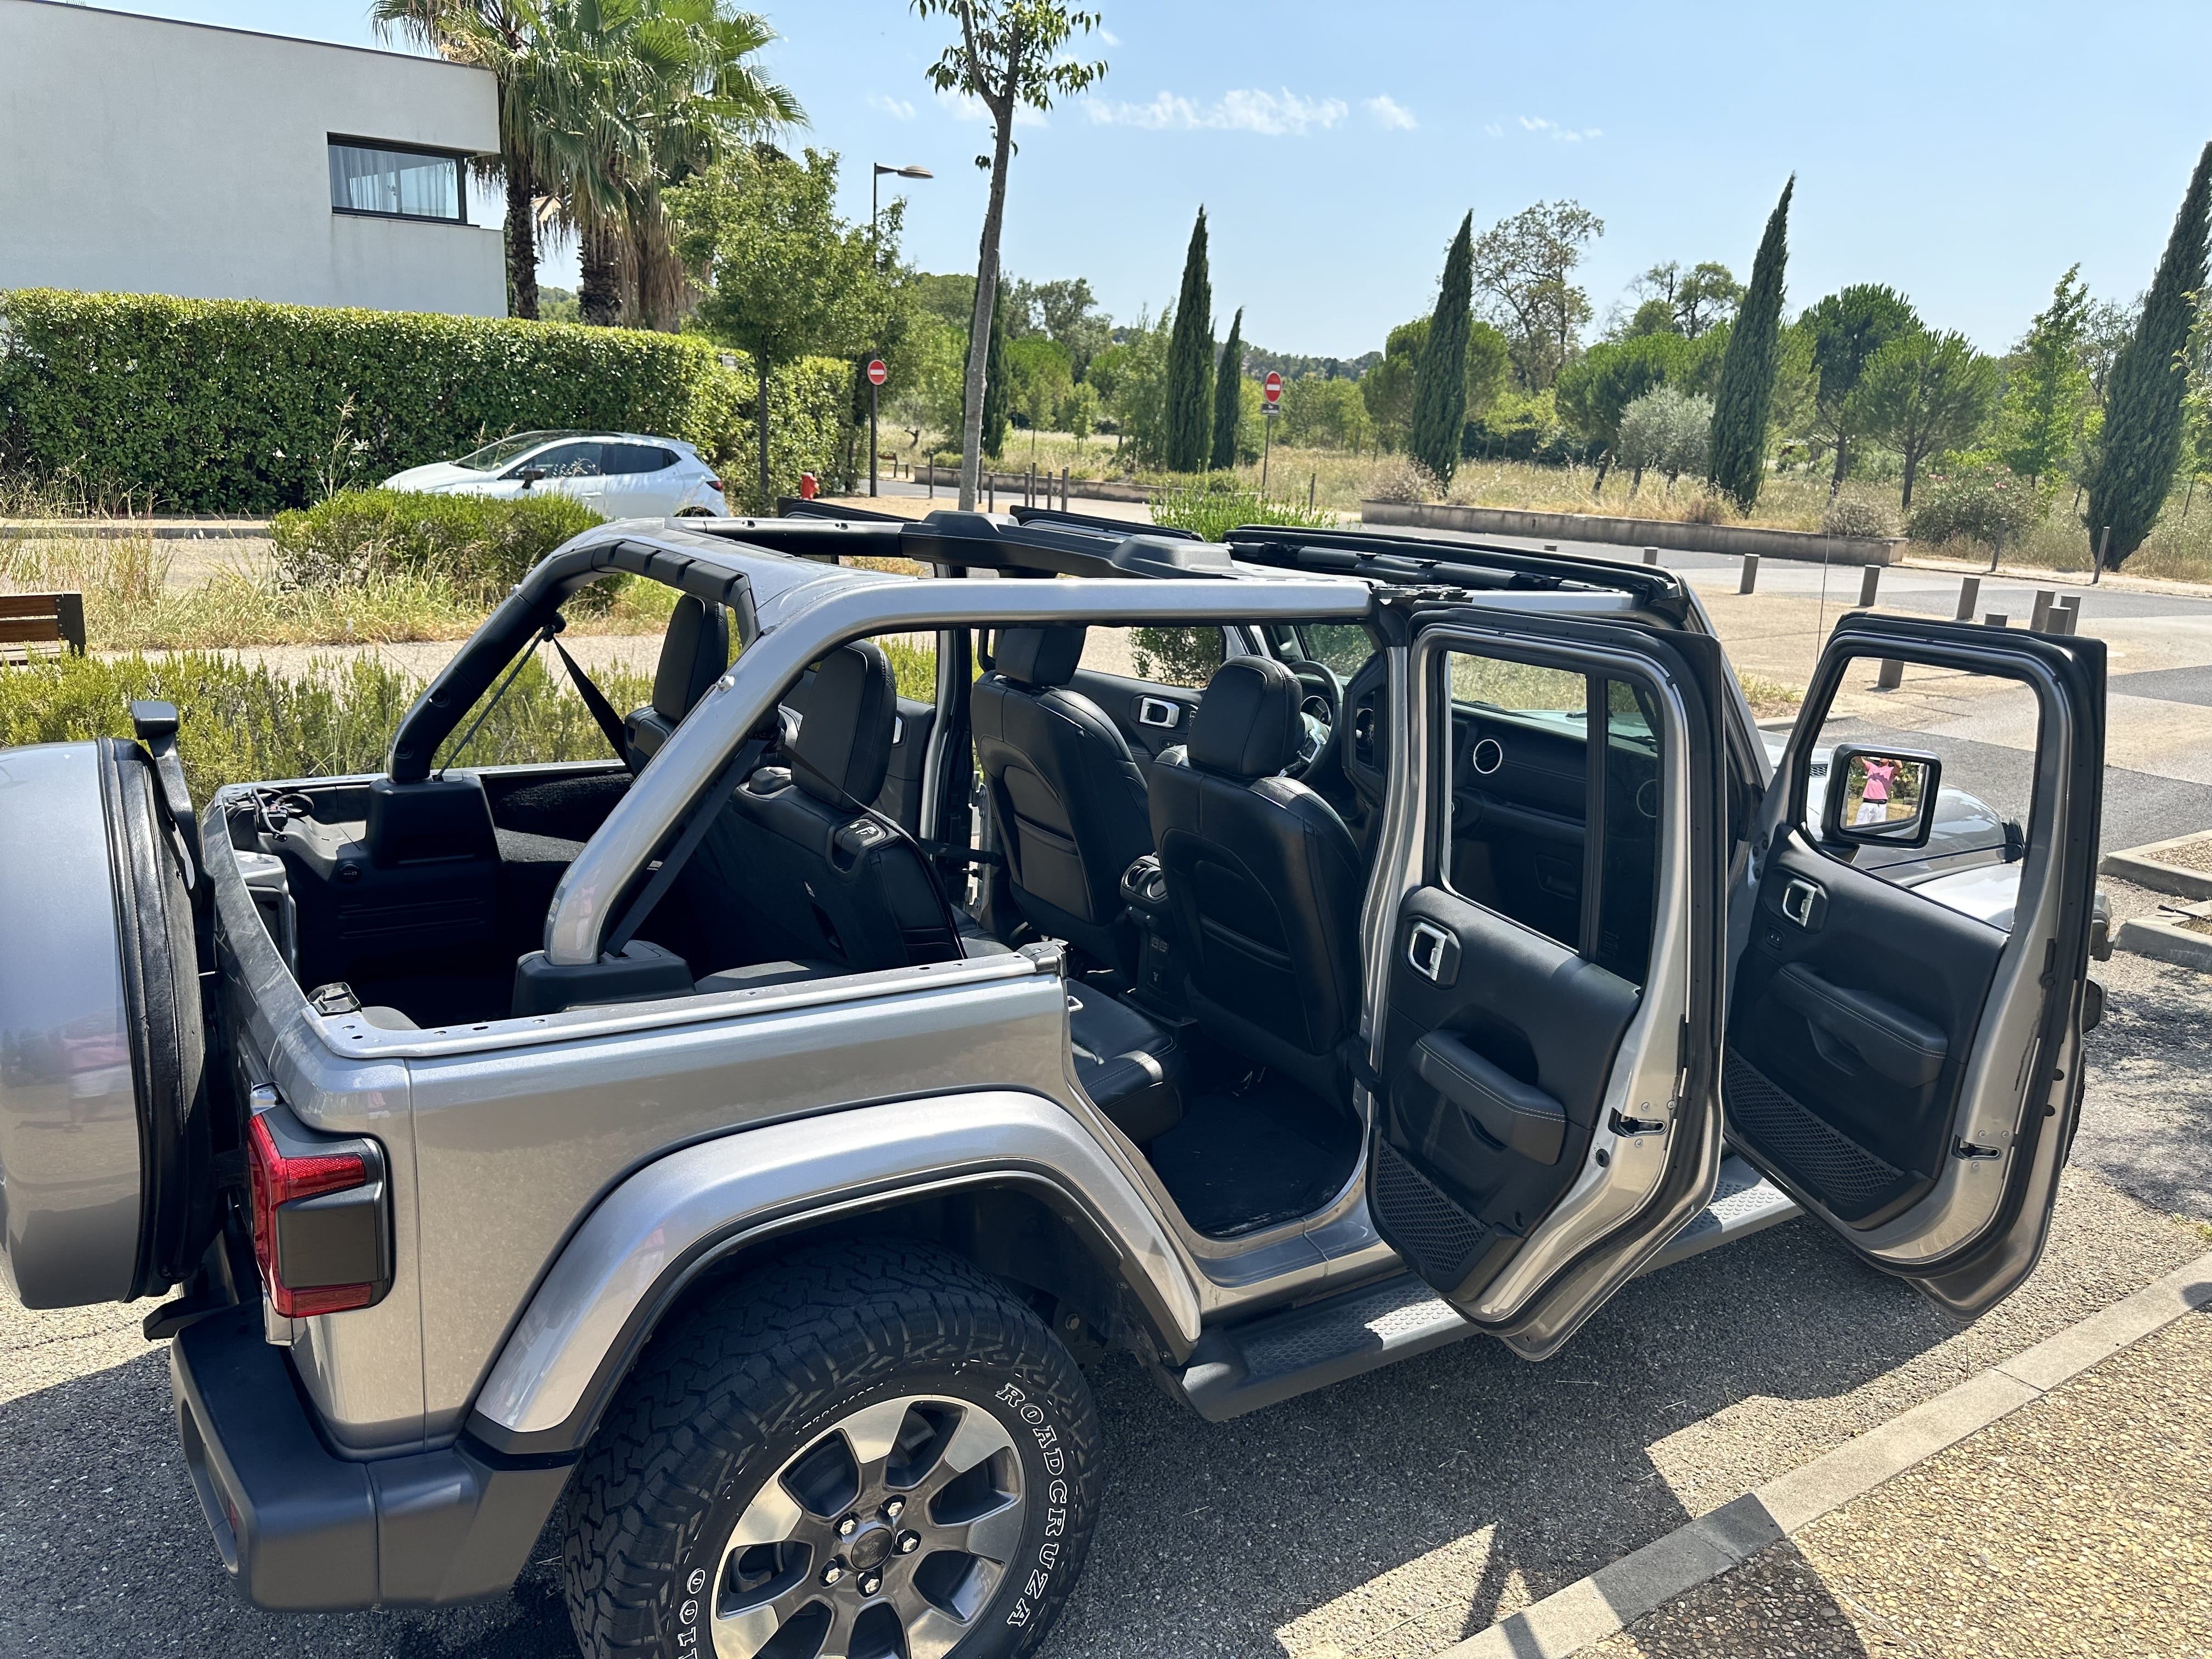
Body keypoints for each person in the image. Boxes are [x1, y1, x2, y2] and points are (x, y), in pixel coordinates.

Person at [1855, 755, 1899, 826]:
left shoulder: (1891, 771)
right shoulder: (1872, 767)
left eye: (1885, 756)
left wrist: (1891, 754)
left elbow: (1899, 766)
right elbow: (1860, 760)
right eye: (1881, 755)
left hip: (1880, 806)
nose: (1882, 757)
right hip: (1867, 803)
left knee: (1877, 830)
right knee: (1858, 828)